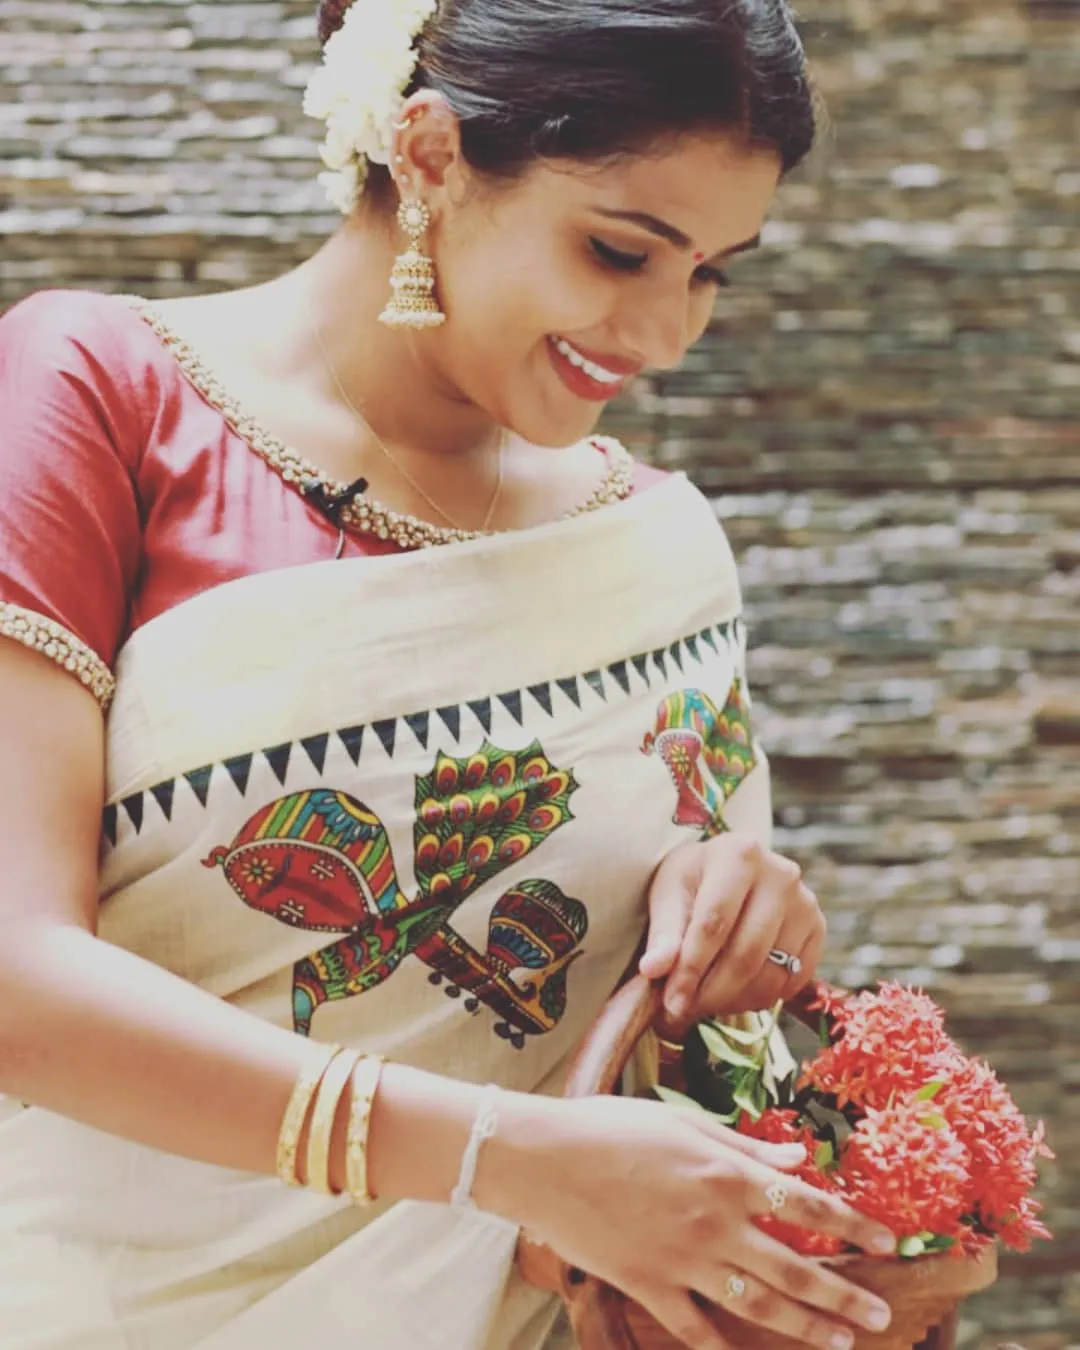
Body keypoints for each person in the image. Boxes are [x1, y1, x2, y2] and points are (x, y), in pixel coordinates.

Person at [0, 1, 900, 1347]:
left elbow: (659, 1065)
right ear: (426, 155)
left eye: (713, 271)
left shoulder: (648, 547)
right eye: (619, 249)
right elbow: (17, 978)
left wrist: (745, 938)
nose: (666, 334)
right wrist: (503, 1154)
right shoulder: (103, 396)